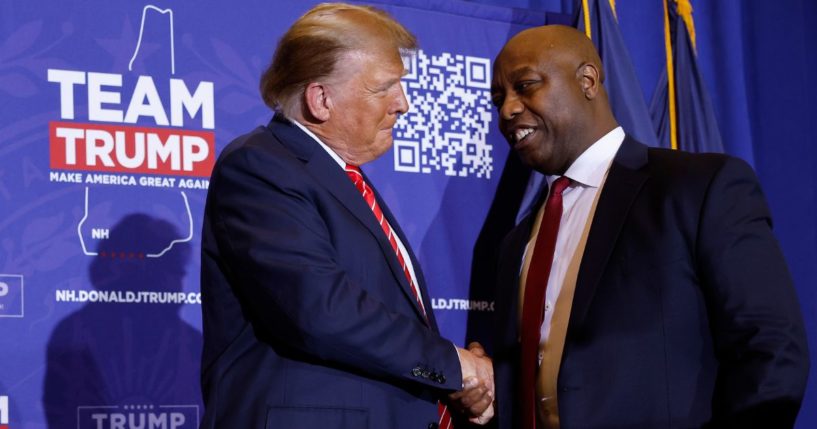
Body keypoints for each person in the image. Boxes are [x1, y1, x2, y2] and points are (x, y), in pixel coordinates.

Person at [489, 25, 809, 429]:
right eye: (499, 98)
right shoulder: (517, 242)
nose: (507, 110)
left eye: (525, 86)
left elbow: (772, 349)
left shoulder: (698, 188)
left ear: (587, 80)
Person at [199, 3, 494, 428]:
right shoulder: (260, 166)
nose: (403, 104)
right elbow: (319, 308)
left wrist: (452, 379)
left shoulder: (341, 178)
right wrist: (452, 365)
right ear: (321, 99)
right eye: (384, 88)